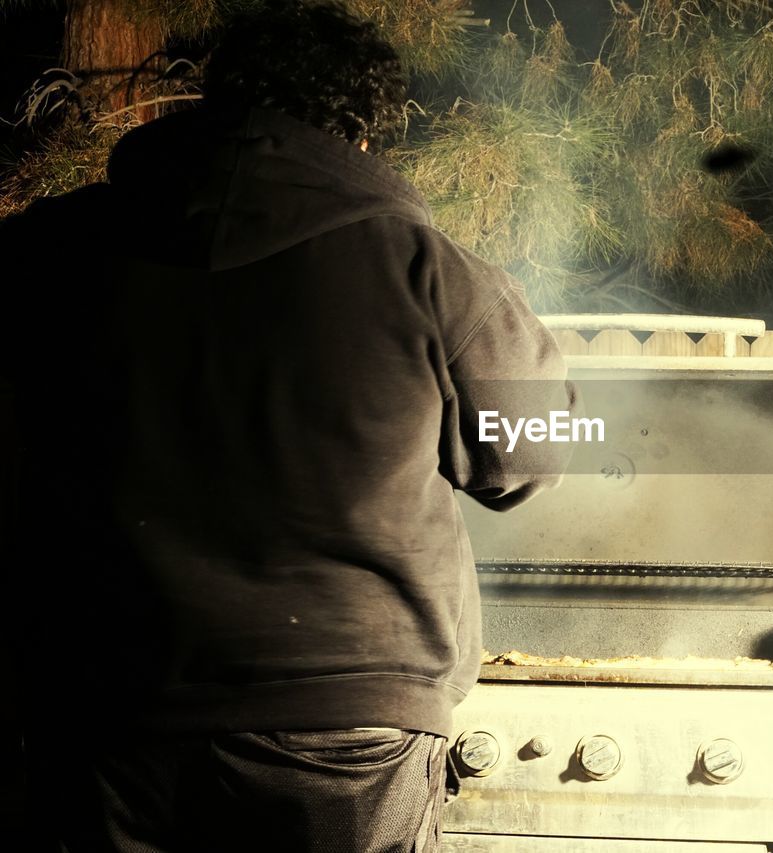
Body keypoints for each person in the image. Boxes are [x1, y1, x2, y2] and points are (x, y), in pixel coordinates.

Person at [0, 2, 577, 851]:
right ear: (365, 137)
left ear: (213, 99)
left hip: (106, 710)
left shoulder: (50, 251)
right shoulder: (428, 272)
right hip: (344, 731)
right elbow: (537, 453)